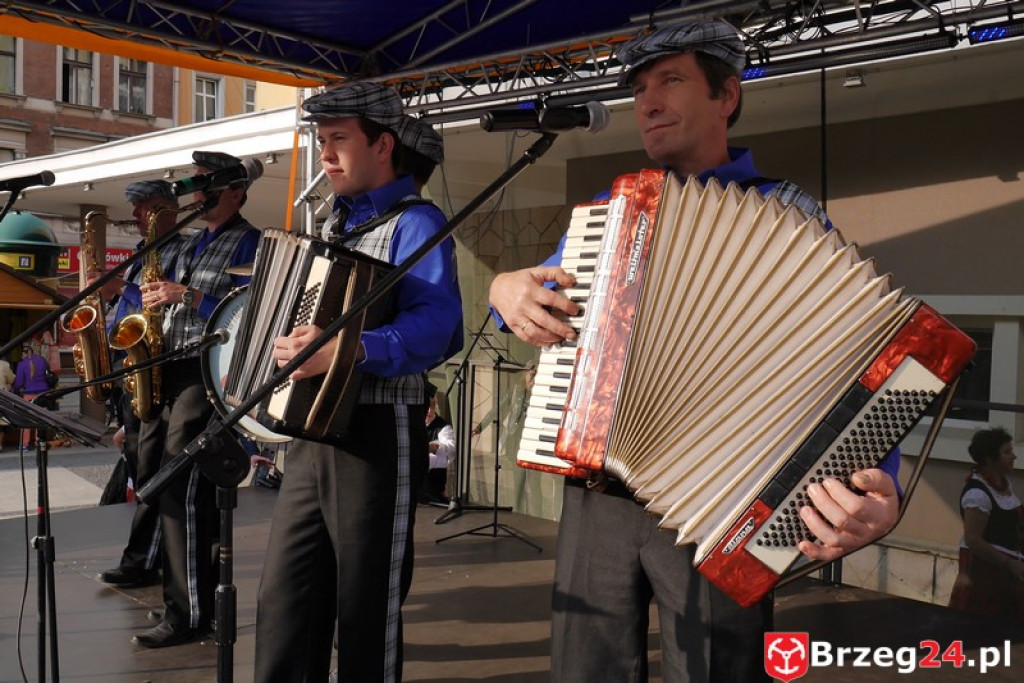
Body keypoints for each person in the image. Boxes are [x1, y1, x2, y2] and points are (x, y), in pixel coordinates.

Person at [487, 20, 901, 682]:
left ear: (726, 96)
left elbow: (858, 353)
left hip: (724, 498)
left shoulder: (786, 212)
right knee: (583, 669)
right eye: (640, 88)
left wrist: (884, 481)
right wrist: (503, 288)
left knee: (718, 670)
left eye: (670, 80)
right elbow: (536, 296)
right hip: (601, 487)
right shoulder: (608, 210)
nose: (647, 102)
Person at [254, 81, 462, 683]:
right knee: (286, 598)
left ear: (383, 144)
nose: (325, 154)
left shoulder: (417, 222)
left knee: (366, 607)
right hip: (311, 431)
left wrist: (344, 349)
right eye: (322, 141)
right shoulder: (336, 224)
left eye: (338, 140)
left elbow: (438, 327)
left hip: (375, 428)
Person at [129, 151, 261, 648]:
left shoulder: (250, 240)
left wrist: (185, 296)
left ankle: (184, 614)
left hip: (207, 376)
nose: (194, 191)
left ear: (234, 191)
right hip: (169, 369)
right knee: (177, 491)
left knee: (177, 491)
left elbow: (246, 314)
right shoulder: (189, 243)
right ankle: (192, 608)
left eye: (204, 183)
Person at [94, 180, 186, 589]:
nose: (135, 216)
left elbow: (156, 303)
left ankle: (144, 561)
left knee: (152, 472)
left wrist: (123, 288)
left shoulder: (181, 250)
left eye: (144, 208)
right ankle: (145, 558)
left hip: (156, 367)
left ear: (167, 212)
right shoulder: (139, 253)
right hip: (133, 370)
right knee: (143, 469)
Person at [948, 427, 1024, 619]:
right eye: (1006, 452)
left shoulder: (1003, 484)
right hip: (984, 570)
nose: (1013, 456)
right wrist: (1009, 564)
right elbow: (973, 539)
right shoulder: (977, 494)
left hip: (1006, 569)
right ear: (990, 459)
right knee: (980, 624)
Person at [419, 383, 455, 504]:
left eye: (432, 407)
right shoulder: (412, 423)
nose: (429, 411)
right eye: (426, 407)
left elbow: (451, 449)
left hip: (433, 492)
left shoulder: (443, 427)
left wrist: (433, 448)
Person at [11, 345, 53, 448]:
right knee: (40, 418)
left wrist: (14, 390)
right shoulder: (42, 360)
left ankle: (25, 444)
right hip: (43, 393)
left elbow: (19, 382)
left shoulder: (22, 364)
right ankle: (39, 441)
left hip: (29, 394)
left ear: (23, 354)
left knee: (26, 419)